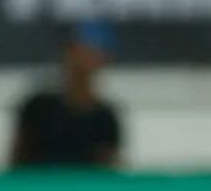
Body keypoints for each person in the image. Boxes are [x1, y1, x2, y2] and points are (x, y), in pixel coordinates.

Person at [7, 21, 124, 169]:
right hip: (38, 189)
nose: (84, 58)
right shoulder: (38, 107)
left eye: (92, 52)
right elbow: (17, 160)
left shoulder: (105, 117)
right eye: (78, 50)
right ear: (66, 54)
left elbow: (108, 168)